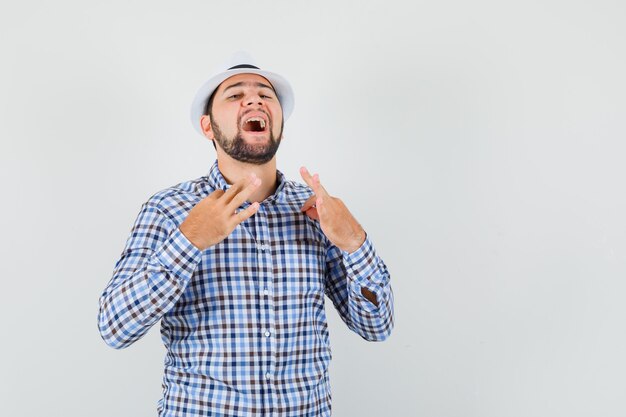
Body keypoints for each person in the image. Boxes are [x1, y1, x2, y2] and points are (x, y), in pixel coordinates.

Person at [97, 51, 394, 417]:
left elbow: (377, 326)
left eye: (265, 95)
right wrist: (189, 241)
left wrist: (355, 243)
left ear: (280, 122)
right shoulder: (169, 209)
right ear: (208, 127)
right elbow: (114, 328)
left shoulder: (318, 212)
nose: (254, 99)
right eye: (235, 94)